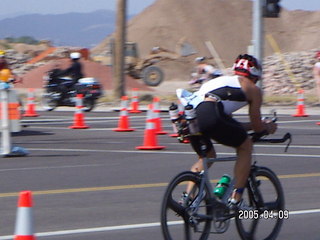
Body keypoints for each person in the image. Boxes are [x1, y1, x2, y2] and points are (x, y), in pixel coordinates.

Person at [177, 54, 277, 208]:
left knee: (207, 156)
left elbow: (228, 124)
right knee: (246, 146)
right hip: (210, 114)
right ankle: (235, 199)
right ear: (255, 75)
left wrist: (252, 126)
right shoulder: (253, 89)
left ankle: (187, 199)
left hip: (189, 117)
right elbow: (257, 127)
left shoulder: (220, 82)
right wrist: (267, 126)